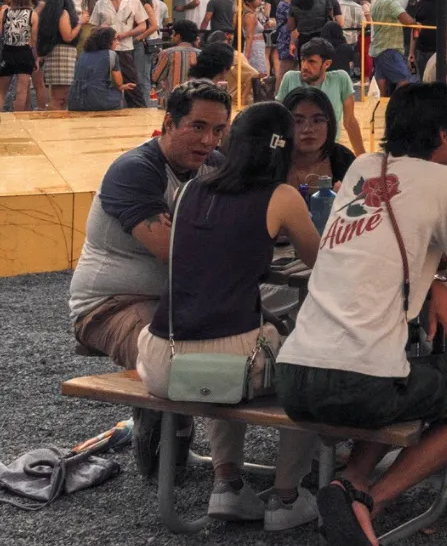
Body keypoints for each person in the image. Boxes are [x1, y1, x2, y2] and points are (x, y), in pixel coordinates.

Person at [275, 84, 447, 546]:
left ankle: (350, 481)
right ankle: (373, 499)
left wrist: (432, 280)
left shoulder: (360, 166)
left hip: (293, 377)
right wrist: (443, 278)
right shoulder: (445, 180)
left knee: (402, 369)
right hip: (362, 386)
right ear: (443, 133)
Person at [137, 101, 322, 528]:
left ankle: (228, 486)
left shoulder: (190, 190)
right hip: (224, 363)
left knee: (241, 338)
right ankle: (286, 497)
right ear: (282, 147)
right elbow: (321, 260)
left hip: (161, 358)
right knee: (312, 370)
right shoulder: (281, 195)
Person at [69, 81, 234, 367]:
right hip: (112, 305)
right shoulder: (136, 169)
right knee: (170, 364)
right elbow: (174, 250)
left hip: (182, 301)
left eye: (218, 130)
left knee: (255, 345)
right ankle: (157, 413)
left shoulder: (215, 166)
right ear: (169, 122)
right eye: (198, 127)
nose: (209, 140)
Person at [277, 37, 365, 154]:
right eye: (303, 60)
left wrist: (362, 159)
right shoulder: (290, 78)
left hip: (327, 152)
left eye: (311, 61)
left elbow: (350, 122)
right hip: (296, 152)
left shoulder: (340, 79)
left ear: (326, 64)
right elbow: (277, 120)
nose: (305, 66)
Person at [91, 0, 151, 108]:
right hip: (105, 50)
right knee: (104, 81)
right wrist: (103, 30)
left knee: (131, 83)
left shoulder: (133, 2)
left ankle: (138, 111)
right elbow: (93, 28)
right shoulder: (100, 4)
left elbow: (143, 26)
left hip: (125, 48)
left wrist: (125, 34)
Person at [283, 84, 358, 189]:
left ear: (329, 123)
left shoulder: (343, 158)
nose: (308, 129)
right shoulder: (272, 162)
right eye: (298, 121)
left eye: (317, 120)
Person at [368, 0, 414, 95]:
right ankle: (395, 104)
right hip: (390, 47)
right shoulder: (391, 2)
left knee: (382, 82)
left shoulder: (376, 2)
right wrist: (416, 23)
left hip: (378, 47)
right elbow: (407, 20)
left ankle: (383, 107)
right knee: (404, 81)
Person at [69, 26, 131, 111]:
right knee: (120, 97)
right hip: (98, 99)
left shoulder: (83, 54)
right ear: (107, 41)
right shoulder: (111, 54)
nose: (118, 42)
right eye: (115, 39)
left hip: (77, 100)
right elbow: (119, 83)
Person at [0, 0, 39, 108]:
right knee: (21, 90)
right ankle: (19, 120)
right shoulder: (32, 14)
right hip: (24, 52)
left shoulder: (4, 13)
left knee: (2, 91)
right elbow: (33, 40)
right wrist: (36, 59)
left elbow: (1, 34)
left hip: (7, 51)